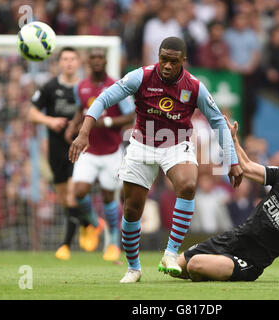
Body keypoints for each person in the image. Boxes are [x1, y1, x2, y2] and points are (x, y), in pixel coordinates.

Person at [69, 37, 243, 283]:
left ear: (183, 61)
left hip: (177, 144)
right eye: (164, 60)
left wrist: (233, 161)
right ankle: (133, 268)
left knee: (188, 185)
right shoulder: (140, 76)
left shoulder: (194, 86)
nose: (168, 65)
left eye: (173, 61)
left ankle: (170, 254)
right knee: (131, 210)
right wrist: (84, 132)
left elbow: (217, 121)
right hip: (141, 145)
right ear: (158, 57)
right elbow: (104, 99)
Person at [172, 116, 279, 282]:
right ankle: (209, 272)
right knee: (176, 268)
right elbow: (246, 168)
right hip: (234, 239)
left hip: (249, 261)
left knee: (195, 264)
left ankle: (207, 272)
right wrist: (233, 139)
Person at [28, 47, 102, 260]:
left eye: (72, 59)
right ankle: (88, 223)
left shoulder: (85, 88)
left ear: (78, 63)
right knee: (64, 198)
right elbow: (31, 113)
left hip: (79, 149)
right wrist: (50, 121)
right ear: (59, 63)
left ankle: (65, 245)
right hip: (56, 150)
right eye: (65, 59)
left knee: (71, 195)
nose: (69, 63)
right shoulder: (50, 87)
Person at [65, 48, 136, 260]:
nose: (97, 61)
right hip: (89, 150)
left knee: (108, 197)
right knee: (78, 192)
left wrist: (105, 121)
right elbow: (80, 110)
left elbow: (131, 116)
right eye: (93, 57)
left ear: (105, 61)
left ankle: (113, 241)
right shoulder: (81, 86)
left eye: (100, 58)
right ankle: (96, 224)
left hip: (111, 151)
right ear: (88, 61)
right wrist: (74, 126)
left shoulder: (117, 87)